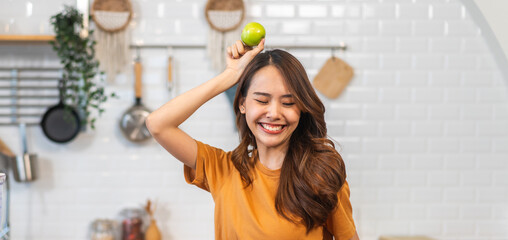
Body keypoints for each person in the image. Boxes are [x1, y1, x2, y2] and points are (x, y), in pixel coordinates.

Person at [146, 39, 359, 240]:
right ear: (242, 104)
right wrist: (229, 75)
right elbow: (157, 124)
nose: (274, 113)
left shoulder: (321, 174)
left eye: (288, 103)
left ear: (302, 109)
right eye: (261, 100)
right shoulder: (223, 169)